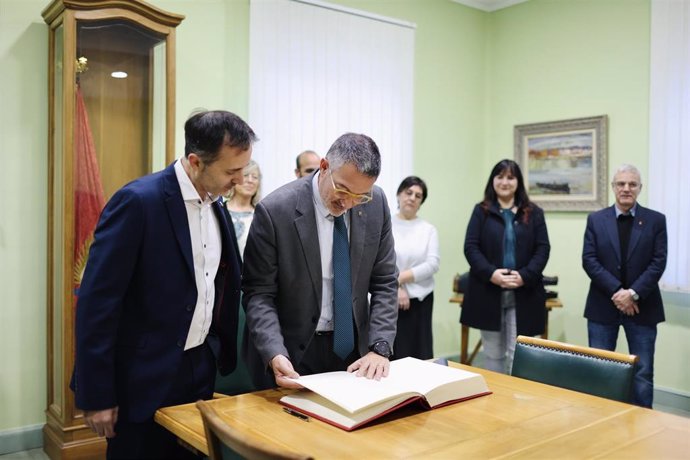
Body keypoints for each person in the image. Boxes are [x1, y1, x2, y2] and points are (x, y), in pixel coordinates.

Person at [71, 110, 256, 458]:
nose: (241, 179)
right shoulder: (139, 202)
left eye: (244, 168)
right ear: (196, 162)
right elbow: (97, 304)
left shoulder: (217, 206)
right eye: (232, 171)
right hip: (141, 378)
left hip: (198, 370)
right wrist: (96, 395)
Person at [242, 132, 398, 390]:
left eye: (360, 196)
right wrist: (274, 352)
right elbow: (259, 294)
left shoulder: (377, 203)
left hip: (353, 352)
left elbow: (385, 281)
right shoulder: (275, 211)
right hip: (292, 352)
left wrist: (380, 346)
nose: (348, 203)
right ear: (324, 167)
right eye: (343, 190)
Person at [582, 164, 667, 408]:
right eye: (621, 184)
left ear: (640, 188)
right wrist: (619, 292)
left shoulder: (656, 221)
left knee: (642, 373)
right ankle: (602, 422)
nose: (626, 189)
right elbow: (589, 260)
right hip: (602, 306)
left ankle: (641, 426)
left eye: (632, 184)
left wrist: (633, 294)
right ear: (613, 187)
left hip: (644, 307)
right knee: (601, 368)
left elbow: (658, 262)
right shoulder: (596, 220)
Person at [461, 159, 550, 374]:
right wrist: (491, 274)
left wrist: (525, 276)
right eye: (500, 176)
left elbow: (543, 248)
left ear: (518, 182)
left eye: (510, 177)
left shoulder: (533, 212)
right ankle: (495, 402)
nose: (505, 182)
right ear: (493, 180)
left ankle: (515, 404)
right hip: (488, 290)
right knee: (492, 354)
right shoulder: (480, 211)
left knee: (517, 353)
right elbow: (471, 247)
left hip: (524, 292)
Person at [392, 176, 440, 360]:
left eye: (418, 196)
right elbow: (379, 262)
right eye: (408, 192)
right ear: (399, 195)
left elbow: (432, 264)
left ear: (421, 202)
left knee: (421, 352)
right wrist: (396, 288)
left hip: (421, 299)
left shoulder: (428, 230)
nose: (412, 198)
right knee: (394, 353)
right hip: (389, 298)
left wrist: (400, 279)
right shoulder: (385, 224)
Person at [225, 160, 262, 258]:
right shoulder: (220, 212)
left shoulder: (262, 215)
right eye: (245, 175)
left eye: (255, 177)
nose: (250, 181)